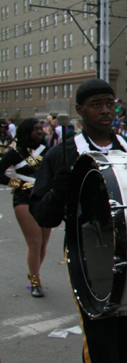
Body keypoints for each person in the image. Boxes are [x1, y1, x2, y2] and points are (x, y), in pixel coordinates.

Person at [29, 78, 127, 363]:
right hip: (88, 256)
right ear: (80, 110)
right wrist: (58, 193)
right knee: (99, 338)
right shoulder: (61, 154)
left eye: (110, 103)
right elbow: (43, 215)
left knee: (126, 333)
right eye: (97, 105)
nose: (106, 110)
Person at [0, 118, 52, 297]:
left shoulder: (48, 150)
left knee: (43, 243)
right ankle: (35, 282)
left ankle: (33, 272)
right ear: (27, 131)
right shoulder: (16, 152)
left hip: (45, 198)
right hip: (24, 198)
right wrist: (18, 184)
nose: (40, 132)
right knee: (35, 242)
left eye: (41, 128)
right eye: (35, 129)